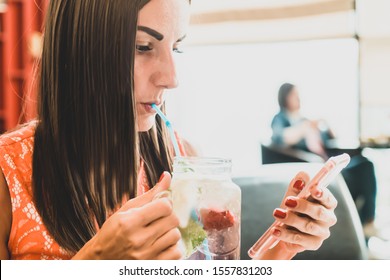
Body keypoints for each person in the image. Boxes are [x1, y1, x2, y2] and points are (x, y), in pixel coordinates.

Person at [0, 0, 337, 260]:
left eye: (177, 47)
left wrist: (280, 247)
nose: (172, 79)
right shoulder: (8, 173)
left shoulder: (184, 158)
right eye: (143, 47)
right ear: (81, 47)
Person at [271, 83, 378, 238]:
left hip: (328, 164)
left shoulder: (304, 118)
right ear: (285, 97)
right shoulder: (281, 118)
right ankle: (366, 224)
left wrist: (325, 125)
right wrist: (305, 126)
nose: (299, 98)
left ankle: (365, 224)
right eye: (295, 95)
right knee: (365, 170)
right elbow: (281, 138)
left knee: (365, 163)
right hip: (314, 170)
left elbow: (331, 140)